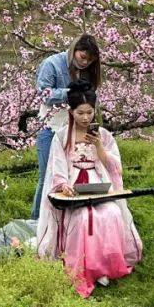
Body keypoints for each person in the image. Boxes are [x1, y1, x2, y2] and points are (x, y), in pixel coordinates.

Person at [36, 80, 142, 298]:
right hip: (73, 183)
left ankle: (105, 268)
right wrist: (63, 185)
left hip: (98, 181)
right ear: (71, 111)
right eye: (80, 113)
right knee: (84, 218)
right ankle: (84, 270)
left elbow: (115, 167)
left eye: (90, 112)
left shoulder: (103, 135)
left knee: (111, 214)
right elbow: (56, 167)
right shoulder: (62, 136)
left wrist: (99, 147)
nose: (85, 118)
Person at [31, 33, 101, 220]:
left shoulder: (87, 71)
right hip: (51, 127)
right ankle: (37, 221)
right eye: (83, 57)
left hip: (77, 129)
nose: (85, 63)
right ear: (74, 50)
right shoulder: (52, 64)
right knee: (47, 176)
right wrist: (70, 93)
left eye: (90, 60)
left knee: (72, 175)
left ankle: (62, 221)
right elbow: (44, 94)